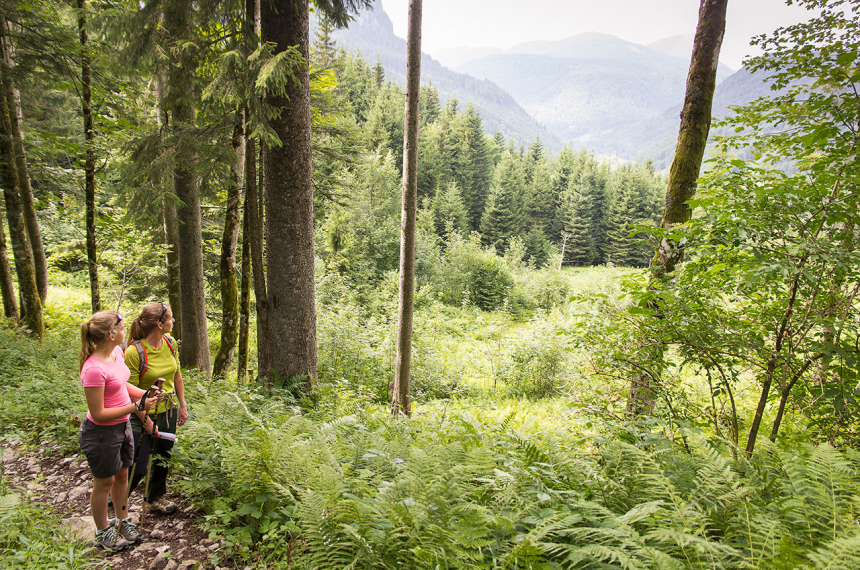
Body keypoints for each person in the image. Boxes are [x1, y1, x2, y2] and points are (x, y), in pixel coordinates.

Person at [79, 310, 160, 551]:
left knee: (123, 476)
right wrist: (137, 407)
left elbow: (122, 385)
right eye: (123, 328)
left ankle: (122, 520)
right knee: (104, 482)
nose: (127, 332)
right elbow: (98, 413)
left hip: (122, 426)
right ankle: (102, 530)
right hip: (101, 433)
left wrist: (144, 394)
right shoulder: (93, 369)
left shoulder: (116, 353)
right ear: (110, 334)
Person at [125, 302, 187, 515]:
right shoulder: (134, 352)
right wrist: (146, 421)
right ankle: (117, 498)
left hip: (168, 410)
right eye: (170, 318)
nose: (173, 321)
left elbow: (177, 375)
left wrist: (182, 405)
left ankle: (155, 498)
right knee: (137, 463)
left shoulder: (170, 343)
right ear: (159, 324)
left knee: (163, 457)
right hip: (140, 412)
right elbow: (129, 390)